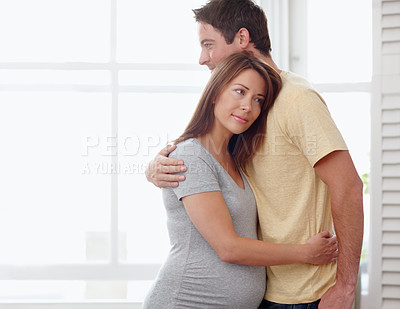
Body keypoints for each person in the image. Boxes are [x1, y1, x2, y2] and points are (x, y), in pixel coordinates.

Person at [145, 1, 364, 308]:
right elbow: (201, 160)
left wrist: (346, 286)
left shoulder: (295, 98)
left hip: (307, 292)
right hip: (269, 290)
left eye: (209, 45)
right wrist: (156, 167)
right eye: (241, 92)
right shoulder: (238, 120)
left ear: (243, 38)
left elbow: (349, 186)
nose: (202, 58)